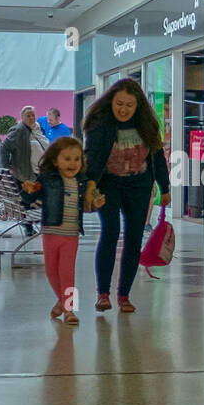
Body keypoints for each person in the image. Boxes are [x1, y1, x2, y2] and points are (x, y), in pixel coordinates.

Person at [81, 78, 171, 313]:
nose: (123, 109)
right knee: (110, 232)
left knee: (133, 238)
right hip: (108, 183)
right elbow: (92, 157)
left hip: (139, 186)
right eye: (119, 103)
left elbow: (158, 158)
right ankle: (103, 294)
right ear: (111, 101)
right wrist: (89, 187)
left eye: (129, 105)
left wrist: (165, 188)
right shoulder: (101, 123)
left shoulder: (147, 125)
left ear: (137, 106)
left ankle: (124, 295)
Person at [21, 136, 103, 326]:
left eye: (77, 159)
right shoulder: (46, 180)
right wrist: (28, 190)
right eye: (67, 159)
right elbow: (28, 200)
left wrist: (96, 203)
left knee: (67, 273)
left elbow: (87, 205)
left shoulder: (82, 182)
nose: (72, 163)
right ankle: (62, 302)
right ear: (55, 160)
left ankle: (69, 310)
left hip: (71, 235)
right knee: (51, 271)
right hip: (50, 232)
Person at [4, 106, 50, 236]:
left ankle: (34, 222)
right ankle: (30, 224)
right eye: (28, 115)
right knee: (34, 198)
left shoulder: (38, 130)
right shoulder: (19, 131)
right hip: (26, 174)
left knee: (43, 196)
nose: (31, 118)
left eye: (33, 115)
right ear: (22, 117)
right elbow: (5, 148)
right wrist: (8, 166)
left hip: (40, 172)